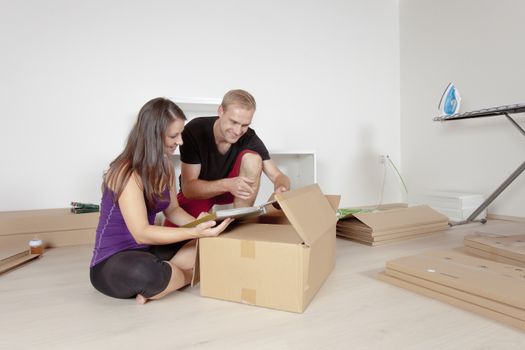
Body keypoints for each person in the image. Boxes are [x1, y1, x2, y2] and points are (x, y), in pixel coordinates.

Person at [90, 97, 232, 304]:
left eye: (181, 133)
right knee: (145, 272)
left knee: (208, 244)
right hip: (112, 260)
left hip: (148, 250)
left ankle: (166, 281)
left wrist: (199, 225)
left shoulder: (165, 167)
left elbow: (172, 211)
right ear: (153, 136)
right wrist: (192, 232)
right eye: (174, 135)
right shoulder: (125, 173)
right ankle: (180, 277)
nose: (180, 141)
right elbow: (141, 233)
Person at [164, 89, 291, 226]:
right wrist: (227, 184)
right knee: (172, 239)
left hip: (234, 191)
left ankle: (240, 224)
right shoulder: (195, 130)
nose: (238, 131)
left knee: (253, 159)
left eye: (245, 125)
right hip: (201, 191)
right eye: (234, 122)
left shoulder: (249, 137)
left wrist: (282, 187)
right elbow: (189, 189)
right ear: (221, 111)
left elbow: (278, 176)